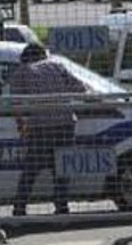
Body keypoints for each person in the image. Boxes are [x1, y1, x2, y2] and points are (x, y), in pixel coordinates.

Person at [7, 42, 84, 216]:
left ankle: (19, 208)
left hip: (40, 127)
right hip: (65, 124)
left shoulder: (22, 72)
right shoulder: (57, 66)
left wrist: (21, 124)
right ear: (43, 54)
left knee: (31, 169)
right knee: (62, 169)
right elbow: (80, 88)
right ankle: (62, 209)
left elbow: (15, 103)